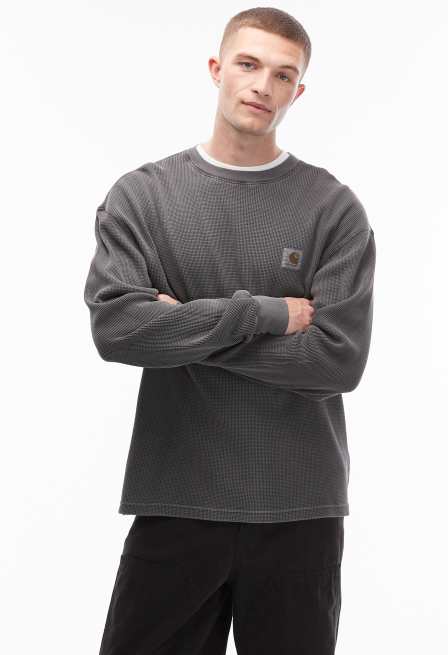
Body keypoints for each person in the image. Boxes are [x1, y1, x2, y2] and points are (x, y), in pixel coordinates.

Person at [84, 6, 376, 654]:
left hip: (299, 510)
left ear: (298, 91)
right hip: (175, 500)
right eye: (248, 64)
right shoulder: (143, 197)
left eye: (282, 75)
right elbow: (116, 328)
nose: (262, 86)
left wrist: (180, 326)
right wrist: (262, 314)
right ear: (216, 69)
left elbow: (337, 359)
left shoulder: (333, 210)